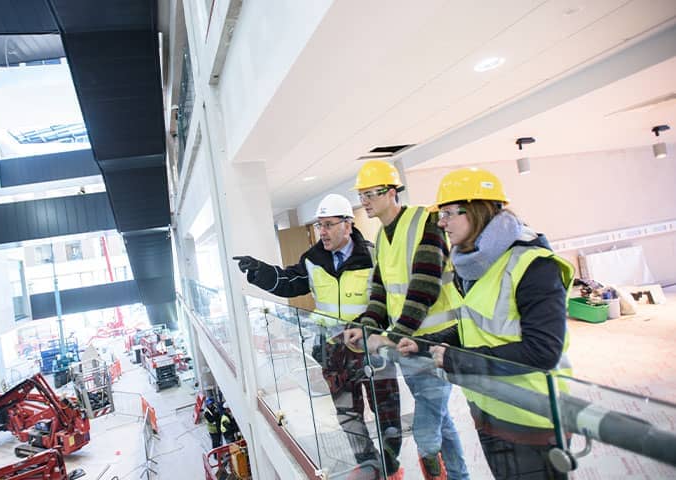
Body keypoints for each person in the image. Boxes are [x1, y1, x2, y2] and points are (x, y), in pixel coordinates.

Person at [384, 167, 574, 480]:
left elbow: (543, 352)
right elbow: (473, 326)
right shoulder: (473, 267)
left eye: (448, 213)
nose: (441, 223)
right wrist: (426, 344)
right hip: (489, 412)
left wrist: (457, 359)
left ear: (477, 210)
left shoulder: (534, 266)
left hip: (532, 420)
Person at [234, 193, 402, 480]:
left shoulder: (374, 256)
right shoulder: (313, 259)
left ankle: (390, 463)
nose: (321, 231)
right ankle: (368, 464)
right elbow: (289, 282)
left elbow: (389, 300)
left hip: (372, 348)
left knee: (387, 410)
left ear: (347, 224)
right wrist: (261, 272)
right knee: (347, 414)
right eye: (319, 225)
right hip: (335, 352)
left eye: (328, 224)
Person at [344, 160, 469, 480]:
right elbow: (380, 292)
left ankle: (438, 467)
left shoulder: (425, 222)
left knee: (427, 429)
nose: (364, 201)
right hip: (408, 344)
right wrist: (366, 326)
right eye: (361, 195)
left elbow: (424, 286)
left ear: (391, 192)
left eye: (371, 193)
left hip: (438, 340)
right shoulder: (382, 237)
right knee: (440, 418)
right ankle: (460, 476)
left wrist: (392, 335)